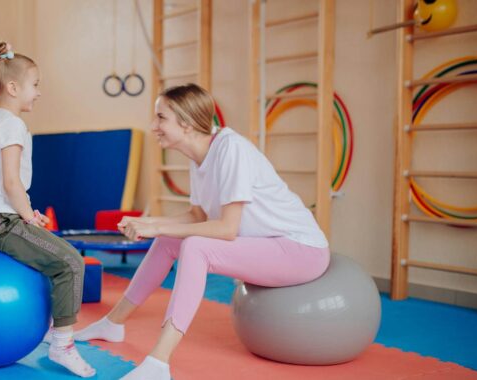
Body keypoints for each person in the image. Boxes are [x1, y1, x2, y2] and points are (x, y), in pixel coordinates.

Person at [74, 83, 330, 380]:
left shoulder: (231, 149)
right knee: (172, 238)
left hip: (301, 251)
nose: (153, 125)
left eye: (161, 118)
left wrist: (155, 226)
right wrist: (150, 223)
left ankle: (158, 363)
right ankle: (113, 323)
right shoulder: (201, 156)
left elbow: (227, 228)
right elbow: (196, 215)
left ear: (185, 122)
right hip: (270, 245)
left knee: (196, 246)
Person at [0, 41, 95, 378]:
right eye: (35, 84)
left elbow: (9, 186)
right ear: (13, 88)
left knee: (50, 257)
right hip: (0, 222)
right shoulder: (11, 125)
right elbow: (11, 182)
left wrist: (28, 213)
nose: (39, 92)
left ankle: (48, 331)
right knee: (71, 262)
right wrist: (26, 216)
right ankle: (63, 345)